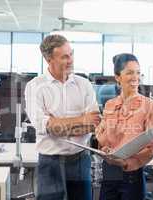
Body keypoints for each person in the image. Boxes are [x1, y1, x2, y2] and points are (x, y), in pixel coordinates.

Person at [25, 34, 101, 200]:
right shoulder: (35, 87)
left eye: (71, 54)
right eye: (65, 57)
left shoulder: (84, 84)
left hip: (80, 158)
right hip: (50, 161)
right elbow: (44, 125)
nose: (71, 60)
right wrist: (82, 119)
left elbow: (94, 123)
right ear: (48, 59)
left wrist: (58, 126)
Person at [95, 53, 153, 200]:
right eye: (129, 72)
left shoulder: (148, 105)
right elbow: (103, 139)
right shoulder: (110, 104)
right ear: (118, 77)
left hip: (132, 175)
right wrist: (103, 148)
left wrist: (125, 162)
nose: (135, 77)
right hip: (109, 172)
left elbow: (150, 148)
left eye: (138, 72)